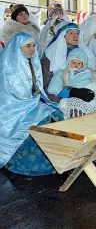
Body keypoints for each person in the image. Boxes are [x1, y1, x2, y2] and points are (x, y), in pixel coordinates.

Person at [0, 32, 63, 176]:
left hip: (31, 105)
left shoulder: (32, 63)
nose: (32, 49)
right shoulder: (9, 67)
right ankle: (32, 164)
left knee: (59, 114)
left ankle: (60, 159)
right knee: (41, 123)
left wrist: (42, 101)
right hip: (13, 112)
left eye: (34, 45)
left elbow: (37, 90)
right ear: (18, 48)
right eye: (27, 46)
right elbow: (13, 98)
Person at [41, 21, 96, 103]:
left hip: (88, 96)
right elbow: (47, 86)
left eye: (77, 33)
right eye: (71, 33)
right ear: (63, 35)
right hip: (61, 101)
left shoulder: (86, 53)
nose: (75, 36)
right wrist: (71, 92)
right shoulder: (51, 56)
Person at [47, 48, 96, 119]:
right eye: (73, 62)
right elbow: (55, 89)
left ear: (84, 64)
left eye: (79, 63)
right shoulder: (65, 72)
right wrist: (73, 92)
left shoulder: (89, 71)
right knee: (76, 107)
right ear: (68, 62)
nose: (76, 65)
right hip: (75, 94)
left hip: (91, 91)